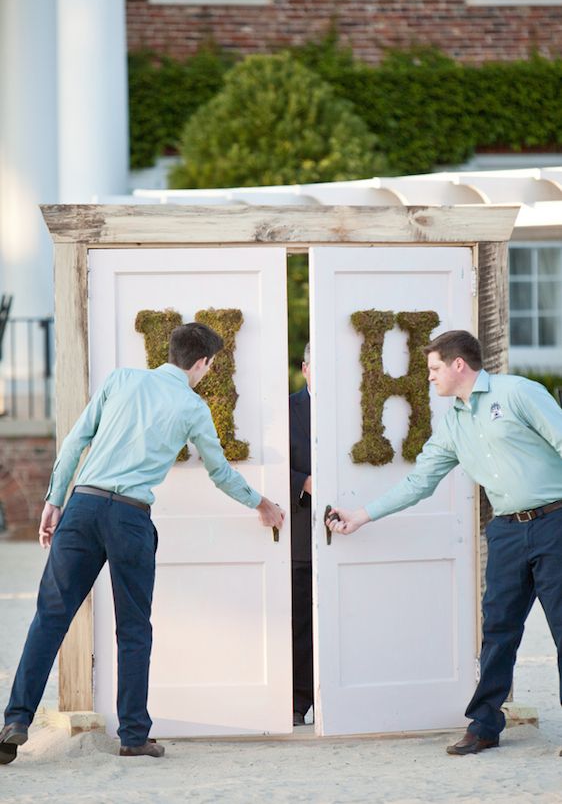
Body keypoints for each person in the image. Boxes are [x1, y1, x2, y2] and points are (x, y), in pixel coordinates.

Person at [0, 323, 285, 765]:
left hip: (83, 506)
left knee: (50, 618)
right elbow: (220, 472)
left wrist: (54, 501)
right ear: (202, 363)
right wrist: (260, 502)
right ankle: (134, 735)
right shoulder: (193, 407)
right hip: (130, 518)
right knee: (133, 630)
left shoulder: (121, 379)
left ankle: (16, 721)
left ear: (169, 352)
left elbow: (76, 441)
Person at [326, 329, 562, 757]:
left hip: (555, 522)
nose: (430, 377)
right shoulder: (452, 423)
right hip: (507, 532)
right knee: (498, 630)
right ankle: (485, 724)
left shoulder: (517, 393)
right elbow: (420, 482)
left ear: (458, 365)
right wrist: (360, 516)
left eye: (434, 368)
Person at [289, 343, 313, 726]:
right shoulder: (285, 410)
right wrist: (304, 482)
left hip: (350, 528)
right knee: (300, 622)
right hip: (299, 535)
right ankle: (297, 702)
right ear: (306, 369)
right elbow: (268, 465)